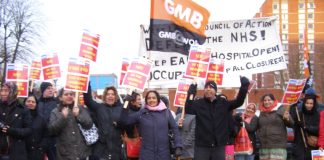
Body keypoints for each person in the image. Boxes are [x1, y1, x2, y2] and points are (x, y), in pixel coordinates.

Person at [185, 76, 250, 160]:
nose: (208, 89)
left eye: (211, 87)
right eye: (206, 87)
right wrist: (192, 88)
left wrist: (244, 86)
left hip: (219, 146)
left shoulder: (223, 103)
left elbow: (239, 101)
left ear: (215, 90)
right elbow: (188, 108)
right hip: (202, 146)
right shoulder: (198, 104)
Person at [120, 90, 183, 160]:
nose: (151, 100)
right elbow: (124, 121)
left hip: (163, 154)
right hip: (147, 154)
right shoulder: (142, 113)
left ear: (158, 99)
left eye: (154, 98)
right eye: (149, 98)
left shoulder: (166, 112)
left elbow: (175, 128)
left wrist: (178, 146)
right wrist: (126, 103)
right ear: (146, 100)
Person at [48, 89, 93, 160]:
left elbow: (89, 124)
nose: (69, 96)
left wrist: (78, 115)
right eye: (66, 94)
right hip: (65, 154)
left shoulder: (80, 108)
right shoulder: (55, 112)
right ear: (60, 97)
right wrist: (62, 117)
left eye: (71, 94)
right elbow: (52, 130)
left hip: (81, 152)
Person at [83, 84, 125, 160]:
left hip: (116, 149)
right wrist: (87, 82)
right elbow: (88, 100)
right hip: (102, 148)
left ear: (115, 96)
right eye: (108, 94)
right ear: (105, 96)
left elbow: (127, 122)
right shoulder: (99, 107)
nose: (110, 96)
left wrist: (119, 124)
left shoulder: (121, 108)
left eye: (112, 94)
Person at [0, 82, 32, 160]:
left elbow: (28, 130)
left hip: (15, 152)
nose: (3, 93)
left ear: (13, 92)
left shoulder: (23, 110)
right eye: (1, 90)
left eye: (6, 91)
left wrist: (12, 131)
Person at [257, 93, 293, 160]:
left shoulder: (281, 110)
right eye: (265, 100)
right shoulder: (262, 113)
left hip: (277, 147)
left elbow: (291, 124)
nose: (267, 102)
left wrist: (287, 119)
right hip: (264, 147)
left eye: (269, 100)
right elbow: (257, 127)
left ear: (274, 100)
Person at [291, 94, 319, 160]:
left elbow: (319, 129)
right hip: (300, 147)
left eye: (311, 103)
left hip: (313, 146)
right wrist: (293, 107)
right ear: (304, 103)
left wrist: (306, 127)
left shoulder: (317, 115)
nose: (309, 105)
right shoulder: (299, 114)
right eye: (307, 103)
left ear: (314, 104)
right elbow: (292, 123)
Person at [37, 82, 58, 160]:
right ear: (43, 90)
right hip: (39, 137)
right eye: (48, 88)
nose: (50, 90)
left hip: (52, 138)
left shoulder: (57, 103)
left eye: (51, 88)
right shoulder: (37, 103)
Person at [24, 95, 47, 160]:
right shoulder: (19, 116)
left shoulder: (41, 118)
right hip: (22, 151)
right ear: (24, 103)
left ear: (36, 104)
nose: (30, 103)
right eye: (28, 101)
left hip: (37, 152)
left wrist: (41, 148)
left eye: (33, 102)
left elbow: (46, 135)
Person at [123, 92, 142, 160]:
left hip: (141, 144)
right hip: (131, 143)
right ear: (132, 102)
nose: (141, 101)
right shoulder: (128, 112)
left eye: (140, 99)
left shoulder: (140, 111)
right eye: (138, 99)